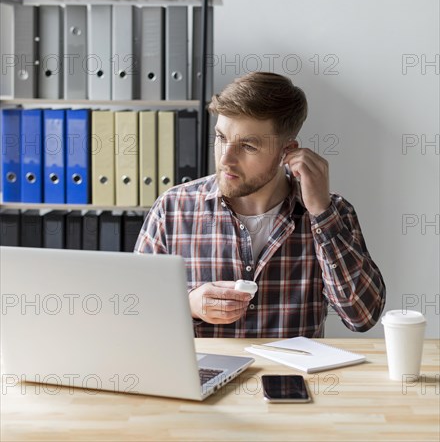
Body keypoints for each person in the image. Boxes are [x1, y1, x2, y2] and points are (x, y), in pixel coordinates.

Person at [135, 72, 386, 338]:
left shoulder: (332, 213)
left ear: (286, 152)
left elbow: (362, 316)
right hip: (202, 378)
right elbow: (133, 307)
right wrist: (189, 305)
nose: (225, 159)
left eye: (248, 146)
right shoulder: (173, 208)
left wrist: (321, 213)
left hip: (289, 379)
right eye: (221, 138)